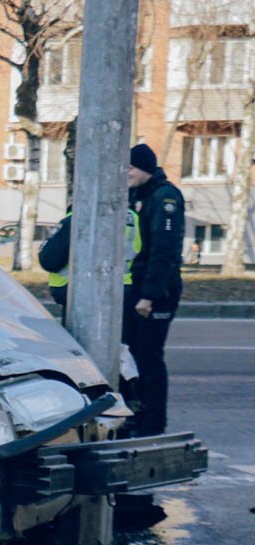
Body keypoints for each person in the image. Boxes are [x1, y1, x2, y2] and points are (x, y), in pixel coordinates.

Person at [127, 142, 184, 436]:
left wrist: (149, 295)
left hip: (157, 292)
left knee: (148, 356)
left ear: (145, 168)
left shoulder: (165, 198)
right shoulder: (138, 194)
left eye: (131, 168)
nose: (126, 173)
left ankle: (153, 423)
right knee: (133, 355)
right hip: (138, 289)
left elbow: (164, 251)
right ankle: (139, 415)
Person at [38, 207, 141, 324]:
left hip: (78, 290)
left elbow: (49, 260)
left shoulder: (80, 215)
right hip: (120, 286)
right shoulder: (133, 218)